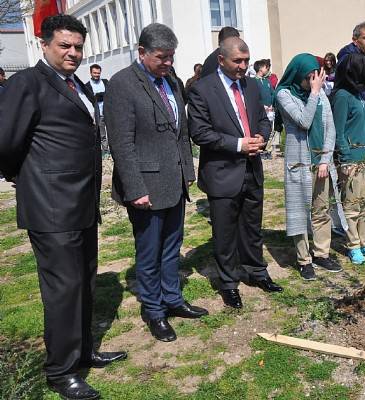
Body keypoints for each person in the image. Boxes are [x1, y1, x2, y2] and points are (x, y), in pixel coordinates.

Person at [0, 15, 126, 400]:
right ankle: (61, 371)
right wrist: (27, 176)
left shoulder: (78, 84)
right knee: (63, 290)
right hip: (52, 209)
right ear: (44, 44)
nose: (73, 53)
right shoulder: (27, 83)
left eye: (77, 46)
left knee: (84, 283)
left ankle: (83, 350)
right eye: (64, 46)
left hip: (82, 205)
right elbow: (5, 143)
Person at [106, 23, 207, 343]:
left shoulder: (172, 81)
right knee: (149, 252)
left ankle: (173, 300)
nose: (167, 62)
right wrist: (135, 189)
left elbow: (181, 131)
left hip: (173, 182)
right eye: (161, 57)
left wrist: (187, 172)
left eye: (171, 57)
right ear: (141, 53)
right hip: (145, 187)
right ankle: (154, 310)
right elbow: (121, 143)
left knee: (171, 247)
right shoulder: (123, 84)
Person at [188, 36, 283, 309]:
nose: (243, 66)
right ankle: (228, 282)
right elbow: (200, 133)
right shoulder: (203, 89)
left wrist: (261, 138)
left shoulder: (251, 86)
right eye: (237, 61)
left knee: (252, 227)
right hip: (222, 173)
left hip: (252, 169)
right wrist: (240, 144)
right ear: (221, 60)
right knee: (225, 232)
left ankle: (256, 271)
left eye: (246, 61)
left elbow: (264, 119)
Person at [275, 54, 345, 280]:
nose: (314, 81)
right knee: (299, 211)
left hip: (320, 163)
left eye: (316, 77)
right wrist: (314, 93)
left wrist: (325, 159)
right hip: (299, 163)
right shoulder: (284, 95)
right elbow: (304, 121)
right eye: (310, 78)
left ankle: (322, 253)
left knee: (321, 209)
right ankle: (304, 259)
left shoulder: (320, 92)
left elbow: (330, 128)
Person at [332, 53, 365, 265]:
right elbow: (338, 130)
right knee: (352, 206)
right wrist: (344, 158)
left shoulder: (358, 95)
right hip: (351, 159)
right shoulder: (342, 96)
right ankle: (353, 245)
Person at [88, 63, 110, 156]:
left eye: (98, 73)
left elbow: (110, 93)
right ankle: (105, 151)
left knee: (113, 132)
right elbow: (90, 99)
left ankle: (113, 149)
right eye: (95, 73)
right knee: (102, 134)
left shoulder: (105, 82)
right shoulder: (88, 85)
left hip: (108, 112)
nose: (96, 75)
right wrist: (100, 96)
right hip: (99, 114)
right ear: (90, 73)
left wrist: (99, 95)